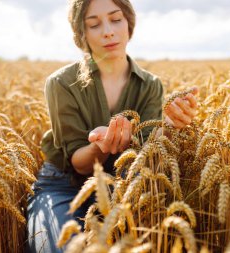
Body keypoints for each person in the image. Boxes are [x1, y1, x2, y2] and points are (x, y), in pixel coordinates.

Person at [26, 0, 199, 252]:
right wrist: (102, 148)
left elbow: (147, 149)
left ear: (129, 23)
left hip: (126, 185)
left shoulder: (151, 85)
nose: (108, 31)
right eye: (94, 24)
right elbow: (79, 162)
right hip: (63, 183)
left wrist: (170, 126)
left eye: (116, 19)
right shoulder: (60, 83)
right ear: (81, 34)